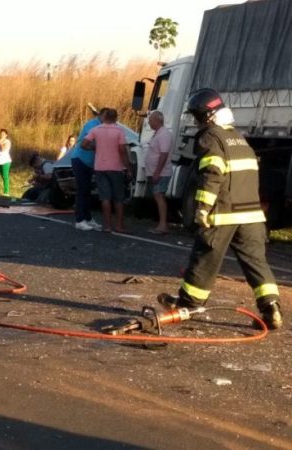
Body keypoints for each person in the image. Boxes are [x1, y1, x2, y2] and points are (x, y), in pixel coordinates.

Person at [158, 88, 282, 330]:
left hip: (224, 212)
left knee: (204, 258)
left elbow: (213, 173)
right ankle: (271, 308)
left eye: (196, 117)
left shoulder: (210, 137)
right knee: (256, 262)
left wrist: (202, 208)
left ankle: (188, 305)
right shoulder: (239, 138)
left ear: (205, 116)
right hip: (252, 215)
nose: (195, 122)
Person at [82, 108, 132, 233]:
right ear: (116, 118)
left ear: (104, 117)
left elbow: (83, 144)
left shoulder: (96, 130)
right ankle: (119, 225)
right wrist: (129, 168)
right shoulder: (119, 131)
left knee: (105, 197)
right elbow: (122, 151)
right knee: (118, 198)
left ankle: (107, 225)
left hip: (100, 167)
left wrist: (95, 147)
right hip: (115, 167)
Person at [68, 105, 104, 231]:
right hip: (80, 159)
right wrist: (98, 147)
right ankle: (79, 220)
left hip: (88, 162)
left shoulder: (102, 126)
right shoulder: (93, 124)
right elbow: (86, 143)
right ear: (101, 116)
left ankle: (88, 218)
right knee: (82, 190)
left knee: (87, 191)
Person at [145, 111, 173, 234]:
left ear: (157, 120)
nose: (149, 123)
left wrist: (157, 172)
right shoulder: (158, 134)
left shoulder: (164, 135)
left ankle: (163, 225)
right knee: (157, 196)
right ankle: (161, 224)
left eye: (151, 120)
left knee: (159, 196)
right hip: (156, 172)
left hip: (161, 173)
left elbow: (164, 154)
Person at [0, 129, 13, 199]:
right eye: (1, 134)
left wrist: (0, 143)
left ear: (6, 135)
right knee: (2, 175)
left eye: (3, 134)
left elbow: (3, 149)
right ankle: (5, 189)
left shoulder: (7, 141)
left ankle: (6, 192)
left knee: (5, 176)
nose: (2, 135)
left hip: (6, 161)